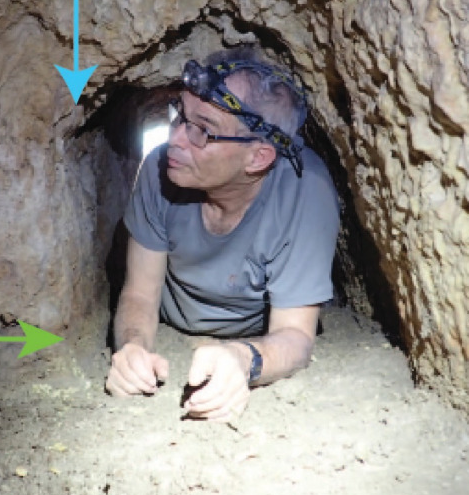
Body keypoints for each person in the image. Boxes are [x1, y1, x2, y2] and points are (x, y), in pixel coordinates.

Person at [105, 48, 340, 421]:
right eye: (179, 116)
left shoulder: (304, 191)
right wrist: (133, 348)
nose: (177, 139)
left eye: (202, 130)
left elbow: (295, 336)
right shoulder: (160, 170)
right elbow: (138, 293)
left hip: (250, 330)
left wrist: (242, 359)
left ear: (258, 158)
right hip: (173, 319)